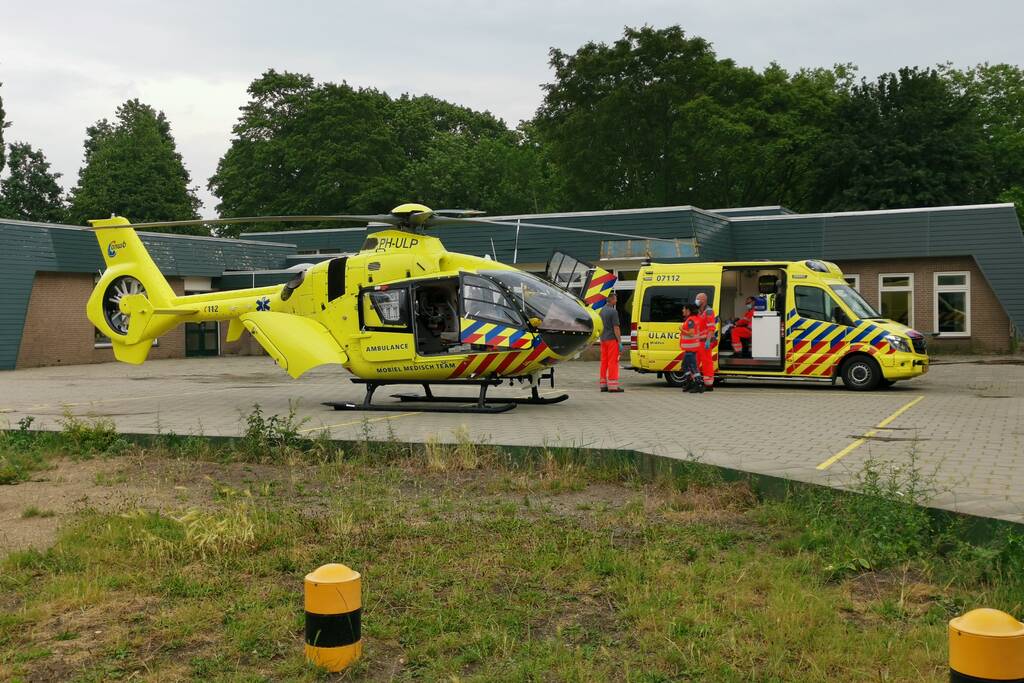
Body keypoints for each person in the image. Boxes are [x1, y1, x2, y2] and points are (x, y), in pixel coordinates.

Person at [598, 292, 623, 393]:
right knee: (613, 362)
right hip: (612, 340)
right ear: (612, 299)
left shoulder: (601, 311)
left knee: (604, 361)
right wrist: (620, 341)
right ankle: (613, 386)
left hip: (603, 340)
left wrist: (601, 338)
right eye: (615, 299)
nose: (616, 300)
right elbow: (616, 327)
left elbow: (600, 326)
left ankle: (603, 385)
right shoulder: (613, 312)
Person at [695, 292, 717, 391]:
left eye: (698, 298)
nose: (696, 300)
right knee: (696, 362)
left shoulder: (708, 311)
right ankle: (696, 382)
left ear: (703, 300)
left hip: (706, 341)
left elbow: (711, 328)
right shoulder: (699, 311)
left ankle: (709, 385)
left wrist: (708, 341)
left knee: (706, 363)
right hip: (699, 341)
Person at [679, 303, 703, 393]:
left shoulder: (690, 321)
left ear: (688, 310)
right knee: (685, 366)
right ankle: (689, 382)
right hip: (690, 348)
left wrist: (681, 330)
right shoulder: (695, 319)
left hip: (691, 349)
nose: (682, 310)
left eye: (684, 308)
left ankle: (699, 384)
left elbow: (691, 333)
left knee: (693, 367)